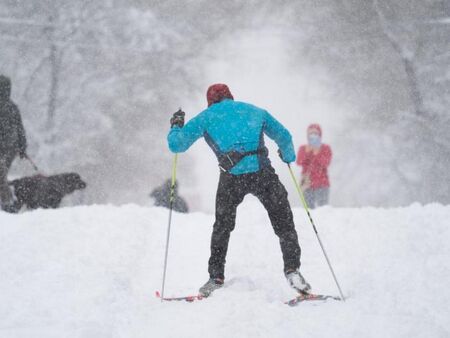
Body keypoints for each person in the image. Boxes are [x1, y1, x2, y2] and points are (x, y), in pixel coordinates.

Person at [167, 83, 310, 297]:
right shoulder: (255, 111)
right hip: (263, 174)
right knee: (284, 222)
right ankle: (293, 271)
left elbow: (177, 145)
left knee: (222, 227)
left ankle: (215, 277)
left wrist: (176, 126)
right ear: (231, 97)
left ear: (210, 101)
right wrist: (288, 155)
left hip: (231, 179)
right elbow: (284, 135)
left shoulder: (206, 117)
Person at [0, 75, 27, 212]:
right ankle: (8, 202)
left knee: (1, 175)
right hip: (10, 148)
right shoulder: (12, 107)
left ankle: (8, 203)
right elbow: (20, 129)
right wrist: (22, 147)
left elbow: (19, 128)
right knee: (1, 175)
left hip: (7, 149)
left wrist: (22, 147)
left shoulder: (11, 107)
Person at [296, 124, 332, 209]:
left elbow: (326, 163)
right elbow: (299, 162)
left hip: (322, 183)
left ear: (320, 135)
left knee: (323, 208)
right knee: (308, 209)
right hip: (307, 183)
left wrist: (317, 153)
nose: (313, 136)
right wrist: (307, 152)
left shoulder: (325, 148)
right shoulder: (303, 148)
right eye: (311, 133)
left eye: (315, 133)